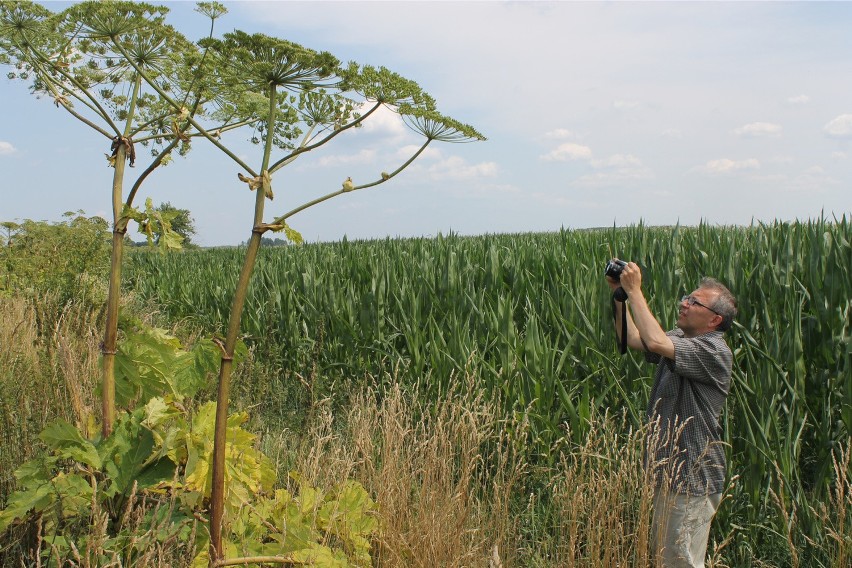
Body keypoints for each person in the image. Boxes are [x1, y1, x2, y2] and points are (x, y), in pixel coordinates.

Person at [606, 260, 737, 567]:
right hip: (670, 474)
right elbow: (633, 339)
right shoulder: (679, 337)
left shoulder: (715, 352)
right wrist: (620, 296)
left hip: (692, 478)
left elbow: (654, 340)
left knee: (681, 562)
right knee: (667, 559)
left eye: (694, 301)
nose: (684, 303)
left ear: (715, 319)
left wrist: (635, 290)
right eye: (686, 297)